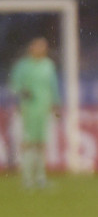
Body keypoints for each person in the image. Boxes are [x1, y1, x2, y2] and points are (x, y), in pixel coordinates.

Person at [9, 37, 61, 189]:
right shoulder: (23, 66)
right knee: (28, 143)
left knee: (41, 144)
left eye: (43, 47)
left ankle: (40, 178)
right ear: (31, 48)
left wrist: (56, 105)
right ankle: (27, 179)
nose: (41, 50)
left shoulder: (48, 65)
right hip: (28, 110)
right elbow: (15, 85)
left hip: (44, 109)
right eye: (38, 47)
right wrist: (23, 93)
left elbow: (54, 87)